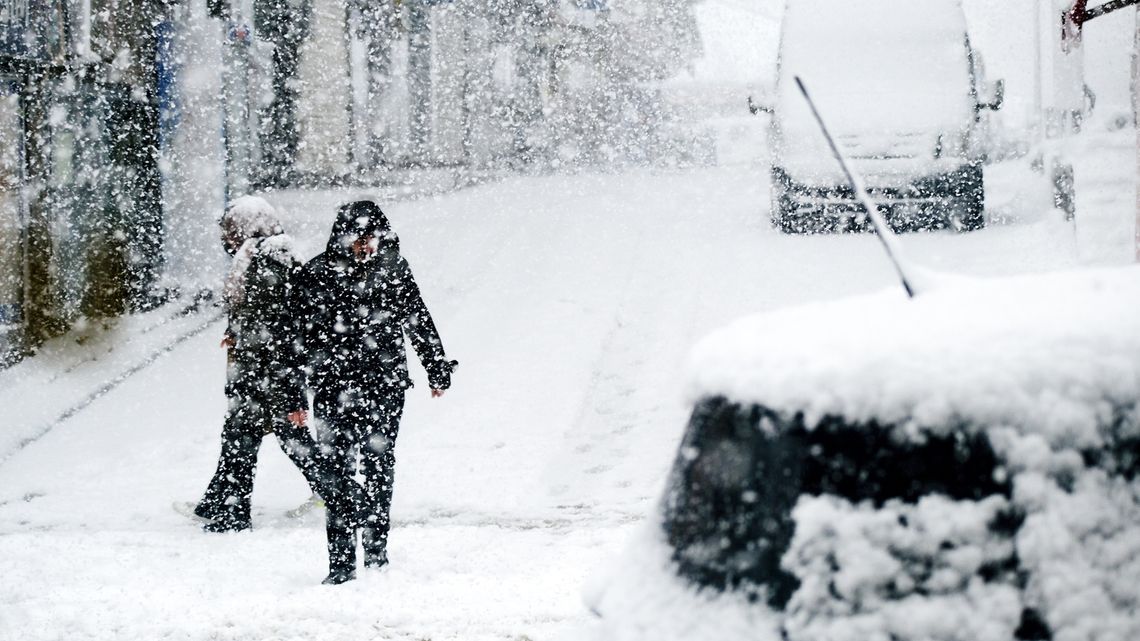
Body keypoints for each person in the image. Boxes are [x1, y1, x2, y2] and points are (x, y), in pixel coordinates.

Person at [294, 200, 456, 584]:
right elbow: (295, 340)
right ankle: (341, 562)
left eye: (371, 237)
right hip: (333, 387)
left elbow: (418, 316)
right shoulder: (317, 274)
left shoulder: (393, 269)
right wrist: (295, 396)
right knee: (334, 470)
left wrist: (436, 367)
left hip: (384, 385)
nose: (365, 245)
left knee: (379, 464)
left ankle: (377, 552)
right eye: (358, 238)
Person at [180, 196, 334, 532]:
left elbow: (277, 324)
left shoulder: (267, 260)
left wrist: (282, 379)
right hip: (259, 370)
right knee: (249, 437)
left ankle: (233, 514)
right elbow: (259, 316)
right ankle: (218, 505)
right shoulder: (261, 256)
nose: (226, 238)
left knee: (251, 438)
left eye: (231, 230)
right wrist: (235, 331)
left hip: (265, 373)